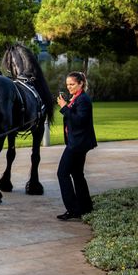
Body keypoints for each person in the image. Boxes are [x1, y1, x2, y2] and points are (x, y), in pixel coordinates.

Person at [55, 71, 97, 220]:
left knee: (62, 173)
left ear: (81, 84)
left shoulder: (83, 99)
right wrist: (67, 106)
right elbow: (73, 118)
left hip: (78, 144)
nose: (69, 87)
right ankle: (85, 206)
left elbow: (79, 121)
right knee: (77, 174)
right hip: (77, 142)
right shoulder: (77, 98)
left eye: (72, 84)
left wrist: (64, 107)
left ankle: (73, 210)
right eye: (67, 84)